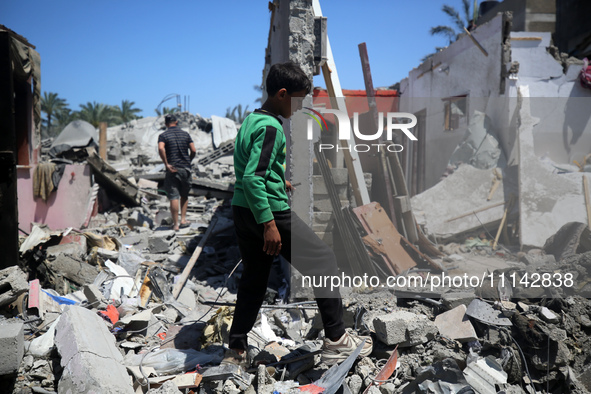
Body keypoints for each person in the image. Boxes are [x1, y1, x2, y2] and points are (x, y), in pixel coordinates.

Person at [225, 61, 373, 368]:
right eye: (297, 99)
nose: (299, 106)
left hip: (243, 209)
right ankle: (336, 340)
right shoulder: (272, 127)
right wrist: (269, 223)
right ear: (282, 94)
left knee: (253, 279)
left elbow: (249, 170)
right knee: (323, 260)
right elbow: (255, 178)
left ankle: (235, 349)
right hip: (269, 213)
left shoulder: (252, 120)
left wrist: (280, 180)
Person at [158, 114, 196, 231]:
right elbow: (193, 150)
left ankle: (175, 225)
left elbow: (160, 148)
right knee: (184, 195)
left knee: (174, 196)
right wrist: (188, 161)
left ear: (166, 124)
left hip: (172, 169)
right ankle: (183, 220)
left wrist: (166, 164)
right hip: (185, 169)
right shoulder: (185, 134)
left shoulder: (163, 135)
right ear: (177, 122)